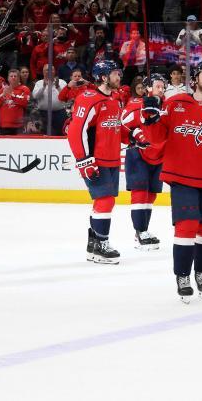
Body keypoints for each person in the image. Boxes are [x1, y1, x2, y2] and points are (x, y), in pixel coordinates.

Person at [139, 60, 202, 302]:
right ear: (196, 78)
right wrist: (150, 119)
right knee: (186, 226)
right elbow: (157, 138)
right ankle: (183, 276)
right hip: (181, 176)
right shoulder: (175, 103)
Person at [67, 61, 126, 264]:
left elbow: (117, 126)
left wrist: (134, 136)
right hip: (95, 160)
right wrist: (84, 160)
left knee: (104, 202)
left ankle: (93, 246)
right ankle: (101, 244)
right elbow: (76, 131)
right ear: (103, 77)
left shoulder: (116, 99)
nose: (119, 77)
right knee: (105, 201)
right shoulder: (88, 99)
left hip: (113, 159)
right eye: (115, 73)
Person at [120, 73, 168, 250]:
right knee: (140, 192)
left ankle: (142, 231)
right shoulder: (136, 104)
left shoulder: (167, 107)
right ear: (148, 88)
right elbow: (122, 125)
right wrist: (134, 134)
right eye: (157, 86)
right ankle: (140, 231)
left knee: (152, 194)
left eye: (163, 86)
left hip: (159, 155)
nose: (161, 89)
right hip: (138, 154)